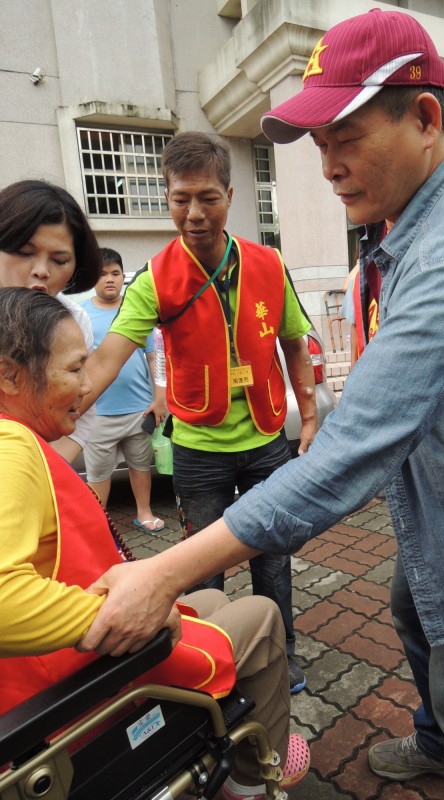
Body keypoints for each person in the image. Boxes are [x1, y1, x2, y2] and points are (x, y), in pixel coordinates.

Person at [77, 9, 444, 800]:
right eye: (319, 146)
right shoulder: (404, 226)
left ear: (423, 118)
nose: (328, 167)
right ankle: (439, 743)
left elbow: (348, 455)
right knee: (414, 611)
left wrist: (163, 575)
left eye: (345, 138)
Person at [0, 287, 309, 800]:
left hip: (48, 666)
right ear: (10, 374)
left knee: (208, 599)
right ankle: (256, 774)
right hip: (72, 692)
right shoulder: (11, 453)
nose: (87, 386)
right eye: (75, 370)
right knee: (262, 615)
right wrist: (124, 614)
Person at [74, 131, 317, 694]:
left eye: (207, 197)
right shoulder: (154, 279)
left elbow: (295, 344)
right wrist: (47, 412)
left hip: (264, 438)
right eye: (180, 198)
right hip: (199, 446)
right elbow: (108, 358)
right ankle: (212, 659)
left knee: (272, 555)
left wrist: (309, 416)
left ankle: (281, 652)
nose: (194, 213)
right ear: (167, 198)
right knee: (204, 565)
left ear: (230, 196)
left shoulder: (268, 262)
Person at [0, 179, 101, 463]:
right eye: (24, 252)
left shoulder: (73, 321)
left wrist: (47, 470)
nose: (41, 271)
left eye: (59, 260)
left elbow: (81, 410)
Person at [82, 247, 165, 532]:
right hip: (98, 412)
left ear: (123, 278)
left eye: (115, 273)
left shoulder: (136, 311)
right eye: (103, 274)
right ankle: (98, 525)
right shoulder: (82, 315)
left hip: (139, 409)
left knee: (141, 466)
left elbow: (154, 357)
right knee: (98, 474)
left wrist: (158, 398)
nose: (109, 279)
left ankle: (144, 513)